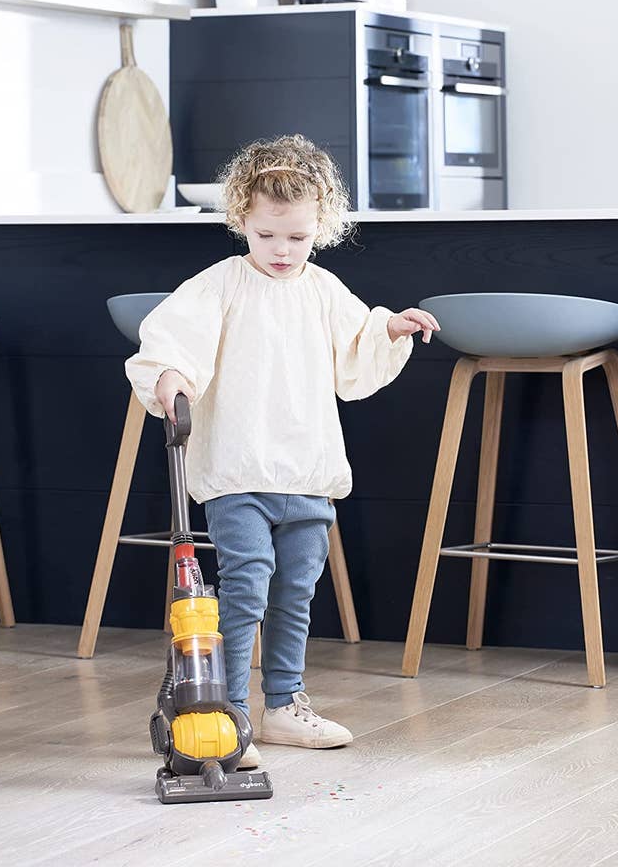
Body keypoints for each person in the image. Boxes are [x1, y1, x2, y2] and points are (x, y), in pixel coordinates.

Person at [125, 134, 439, 769]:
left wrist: (390, 328)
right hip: (239, 470)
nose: (281, 250)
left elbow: (357, 348)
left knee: (296, 590)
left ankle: (284, 704)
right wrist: (170, 377)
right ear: (242, 221)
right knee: (246, 588)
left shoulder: (322, 288)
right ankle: (228, 711)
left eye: (296, 238)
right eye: (268, 235)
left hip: (308, 470)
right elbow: (169, 341)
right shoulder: (218, 286)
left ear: (318, 230)